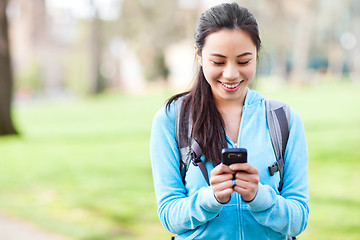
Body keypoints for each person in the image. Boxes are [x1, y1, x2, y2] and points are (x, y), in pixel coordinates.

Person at [150, 2, 309, 240]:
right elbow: (170, 216)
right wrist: (209, 198)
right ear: (199, 55)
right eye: (219, 62)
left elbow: (298, 220)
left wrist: (260, 198)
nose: (231, 74)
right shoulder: (172, 119)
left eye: (244, 61)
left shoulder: (284, 120)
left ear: (257, 55)